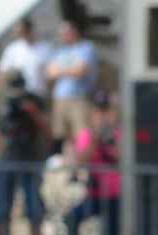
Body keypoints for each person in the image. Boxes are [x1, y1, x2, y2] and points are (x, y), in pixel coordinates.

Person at [0, 71, 49, 235]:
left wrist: (32, 112)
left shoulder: (34, 101)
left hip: (30, 158)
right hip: (6, 158)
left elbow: (47, 128)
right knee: (0, 210)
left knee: (34, 209)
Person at [65, 92, 120, 235]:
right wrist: (96, 141)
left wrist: (111, 142)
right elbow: (81, 160)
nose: (102, 116)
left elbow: (121, 157)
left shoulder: (120, 133)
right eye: (98, 111)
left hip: (116, 195)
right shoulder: (87, 135)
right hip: (95, 194)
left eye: (105, 111)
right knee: (72, 218)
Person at [45, 18, 98, 150]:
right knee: (62, 135)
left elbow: (81, 71)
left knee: (81, 134)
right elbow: (50, 72)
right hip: (60, 98)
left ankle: (82, 165)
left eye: (67, 32)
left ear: (75, 31)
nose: (64, 35)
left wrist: (61, 71)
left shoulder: (87, 47)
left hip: (79, 98)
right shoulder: (60, 51)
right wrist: (69, 70)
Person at [0, 18, 49, 99]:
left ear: (30, 30)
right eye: (19, 33)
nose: (21, 35)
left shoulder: (45, 48)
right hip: (20, 97)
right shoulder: (13, 49)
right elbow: (3, 73)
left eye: (23, 31)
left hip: (40, 95)